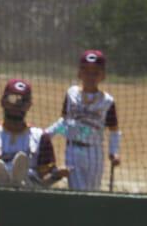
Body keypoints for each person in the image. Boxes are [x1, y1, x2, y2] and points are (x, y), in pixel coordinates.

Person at [46, 49, 119, 192]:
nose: (90, 76)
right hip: (73, 150)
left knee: (93, 191)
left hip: (95, 151)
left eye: (95, 72)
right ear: (79, 73)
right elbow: (64, 122)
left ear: (103, 75)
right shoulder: (71, 93)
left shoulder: (107, 101)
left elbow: (114, 130)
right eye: (86, 71)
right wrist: (47, 134)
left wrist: (114, 152)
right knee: (78, 191)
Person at [0, 78, 64, 189]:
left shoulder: (40, 137)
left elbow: (45, 177)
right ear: (3, 101)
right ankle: (6, 180)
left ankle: (19, 181)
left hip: (28, 194)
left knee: (26, 173)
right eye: (12, 98)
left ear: (29, 105)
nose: (17, 105)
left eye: (22, 101)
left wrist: (56, 176)